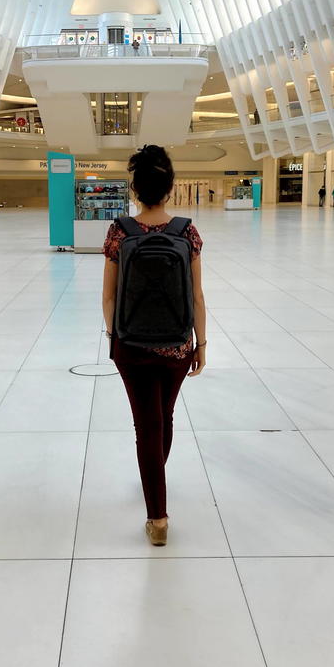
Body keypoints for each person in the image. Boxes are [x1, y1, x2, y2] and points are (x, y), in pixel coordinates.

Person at [102, 145, 207, 547]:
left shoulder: (120, 231)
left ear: (135, 188)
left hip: (131, 346)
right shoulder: (187, 231)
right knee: (164, 416)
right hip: (178, 346)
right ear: (170, 188)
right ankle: (154, 479)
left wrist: (116, 338)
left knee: (147, 424)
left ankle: (157, 517)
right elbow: (197, 296)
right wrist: (202, 343)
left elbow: (109, 297)